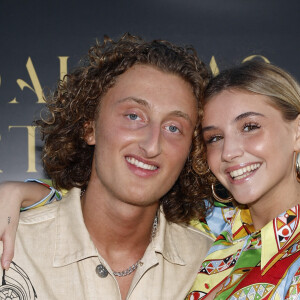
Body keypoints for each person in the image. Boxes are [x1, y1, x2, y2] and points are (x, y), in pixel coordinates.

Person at [0, 33, 214, 299]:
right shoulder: (12, 247)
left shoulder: (212, 267)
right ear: (89, 128)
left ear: (191, 151)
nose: (151, 145)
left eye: (173, 127)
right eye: (134, 116)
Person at [186, 61, 300, 299]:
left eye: (249, 127)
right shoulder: (200, 227)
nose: (228, 152)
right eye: (215, 137)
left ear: (297, 132)